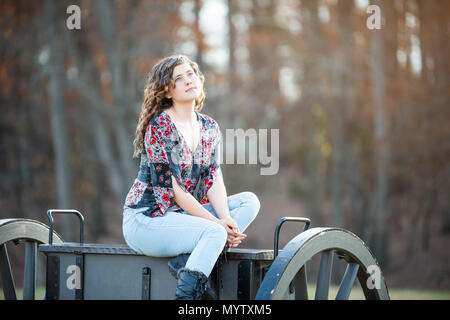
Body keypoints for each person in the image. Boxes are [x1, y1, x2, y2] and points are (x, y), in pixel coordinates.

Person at [122, 54, 260, 300]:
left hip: (178, 217)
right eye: (178, 78)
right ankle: (186, 299)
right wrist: (216, 225)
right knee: (214, 233)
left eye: (190, 74)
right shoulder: (159, 127)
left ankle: (186, 262)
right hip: (146, 220)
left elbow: (212, 176)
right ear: (166, 90)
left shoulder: (208, 127)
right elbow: (174, 190)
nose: (188, 80)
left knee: (249, 201)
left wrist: (226, 218)